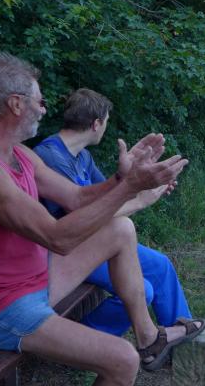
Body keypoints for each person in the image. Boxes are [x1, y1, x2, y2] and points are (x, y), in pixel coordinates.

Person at [0, 53, 203, 386]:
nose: (45, 109)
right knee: (121, 362)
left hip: (31, 284)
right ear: (15, 104)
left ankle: (149, 337)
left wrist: (122, 177)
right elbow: (56, 237)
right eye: (39, 101)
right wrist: (130, 189)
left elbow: (75, 197)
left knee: (120, 229)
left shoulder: (20, 154)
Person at [34, 88, 193, 339]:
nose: (105, 128)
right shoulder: (50, 157)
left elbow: (112, 197)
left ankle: (184, 339)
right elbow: (87, 216)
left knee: (161, 266)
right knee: (144, 290)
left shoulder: (82, 157)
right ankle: (84, 339)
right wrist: (141, 200)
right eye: (106, 121)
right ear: (96, 124)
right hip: (69, 252)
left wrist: (142, 181)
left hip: (95, 238)